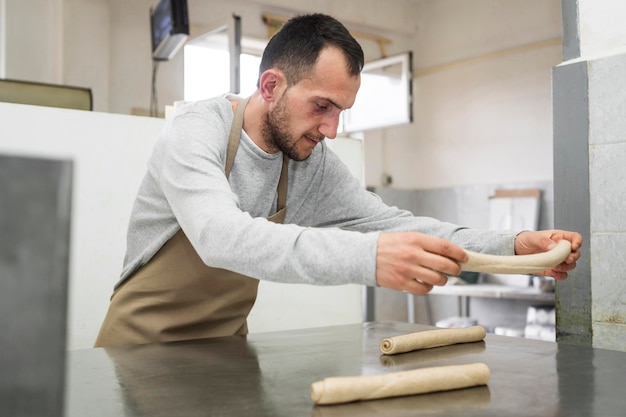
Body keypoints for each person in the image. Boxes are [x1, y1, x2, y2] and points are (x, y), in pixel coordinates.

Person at [94, 13, 582, 348]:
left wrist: (515, 245)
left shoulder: (310, 162)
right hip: (138, 351)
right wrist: (370, 258)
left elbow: (392, 223)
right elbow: (220, 238)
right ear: (270, 86)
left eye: (341, 111)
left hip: (223, 350)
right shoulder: (194, 130)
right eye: (322, 106)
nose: (331, 130)